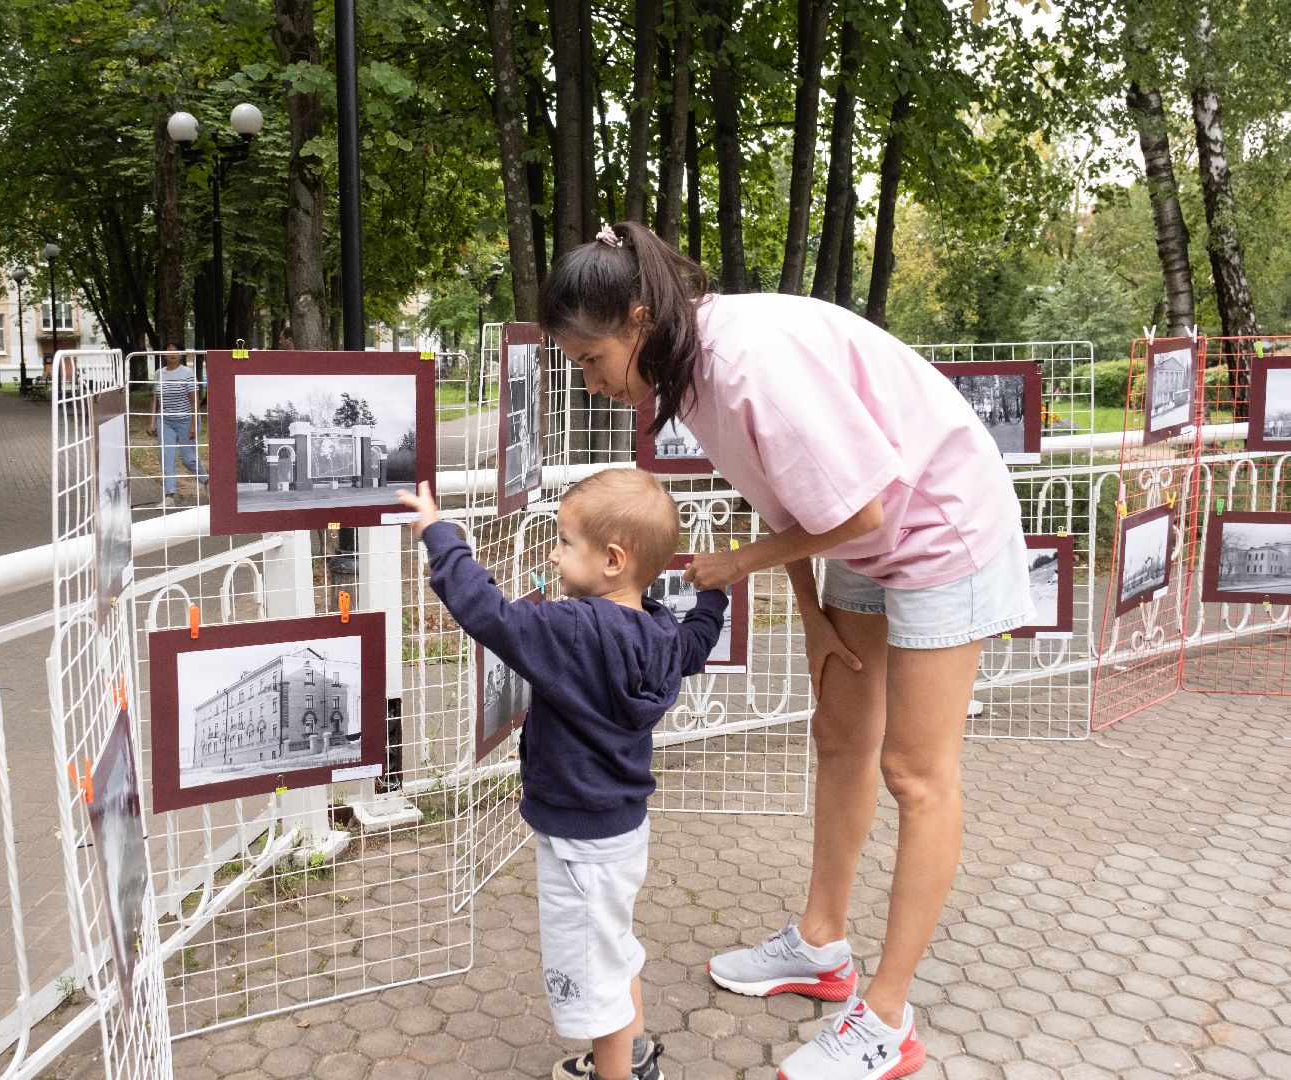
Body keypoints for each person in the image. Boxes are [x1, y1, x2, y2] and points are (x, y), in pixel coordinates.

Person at [537, 221, 1031, 1080]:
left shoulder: (745, 362)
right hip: (865, 537)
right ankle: (820, 944)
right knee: (840, 733)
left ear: (641, 318)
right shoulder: (687, 370)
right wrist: (811, 618)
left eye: (590, 359)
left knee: (916, 771)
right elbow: (785, 498)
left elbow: (865, 506)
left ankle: (887, 1021)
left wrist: (739, 567)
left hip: (941, 523)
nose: (590, 379)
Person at [397, 468, 727, 1080]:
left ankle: (615, 1072)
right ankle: (633, 1058)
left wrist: (439, 533)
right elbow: (699, 639)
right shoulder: (661, 633)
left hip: (578, 843)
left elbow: (488, 613)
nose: (552, 553)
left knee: (595, 975)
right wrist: (715, 594)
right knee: (615, 949)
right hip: (623, 831)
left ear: (611, 559)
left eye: (564, 542)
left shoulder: (571, 629)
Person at [144, 350, 207, 504]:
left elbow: (194, 402)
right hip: (165, 421)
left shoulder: (187, 373)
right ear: (164, 355)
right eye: (168, 350)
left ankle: (207, 481)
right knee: (165, 456)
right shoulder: (159, 373)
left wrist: (193, 424)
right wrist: (151, 422)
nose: (172, 354)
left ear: (181, 355)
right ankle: (169, 495)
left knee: (188, 459)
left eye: (175, 351)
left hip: (186, 420)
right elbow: (155, 399)